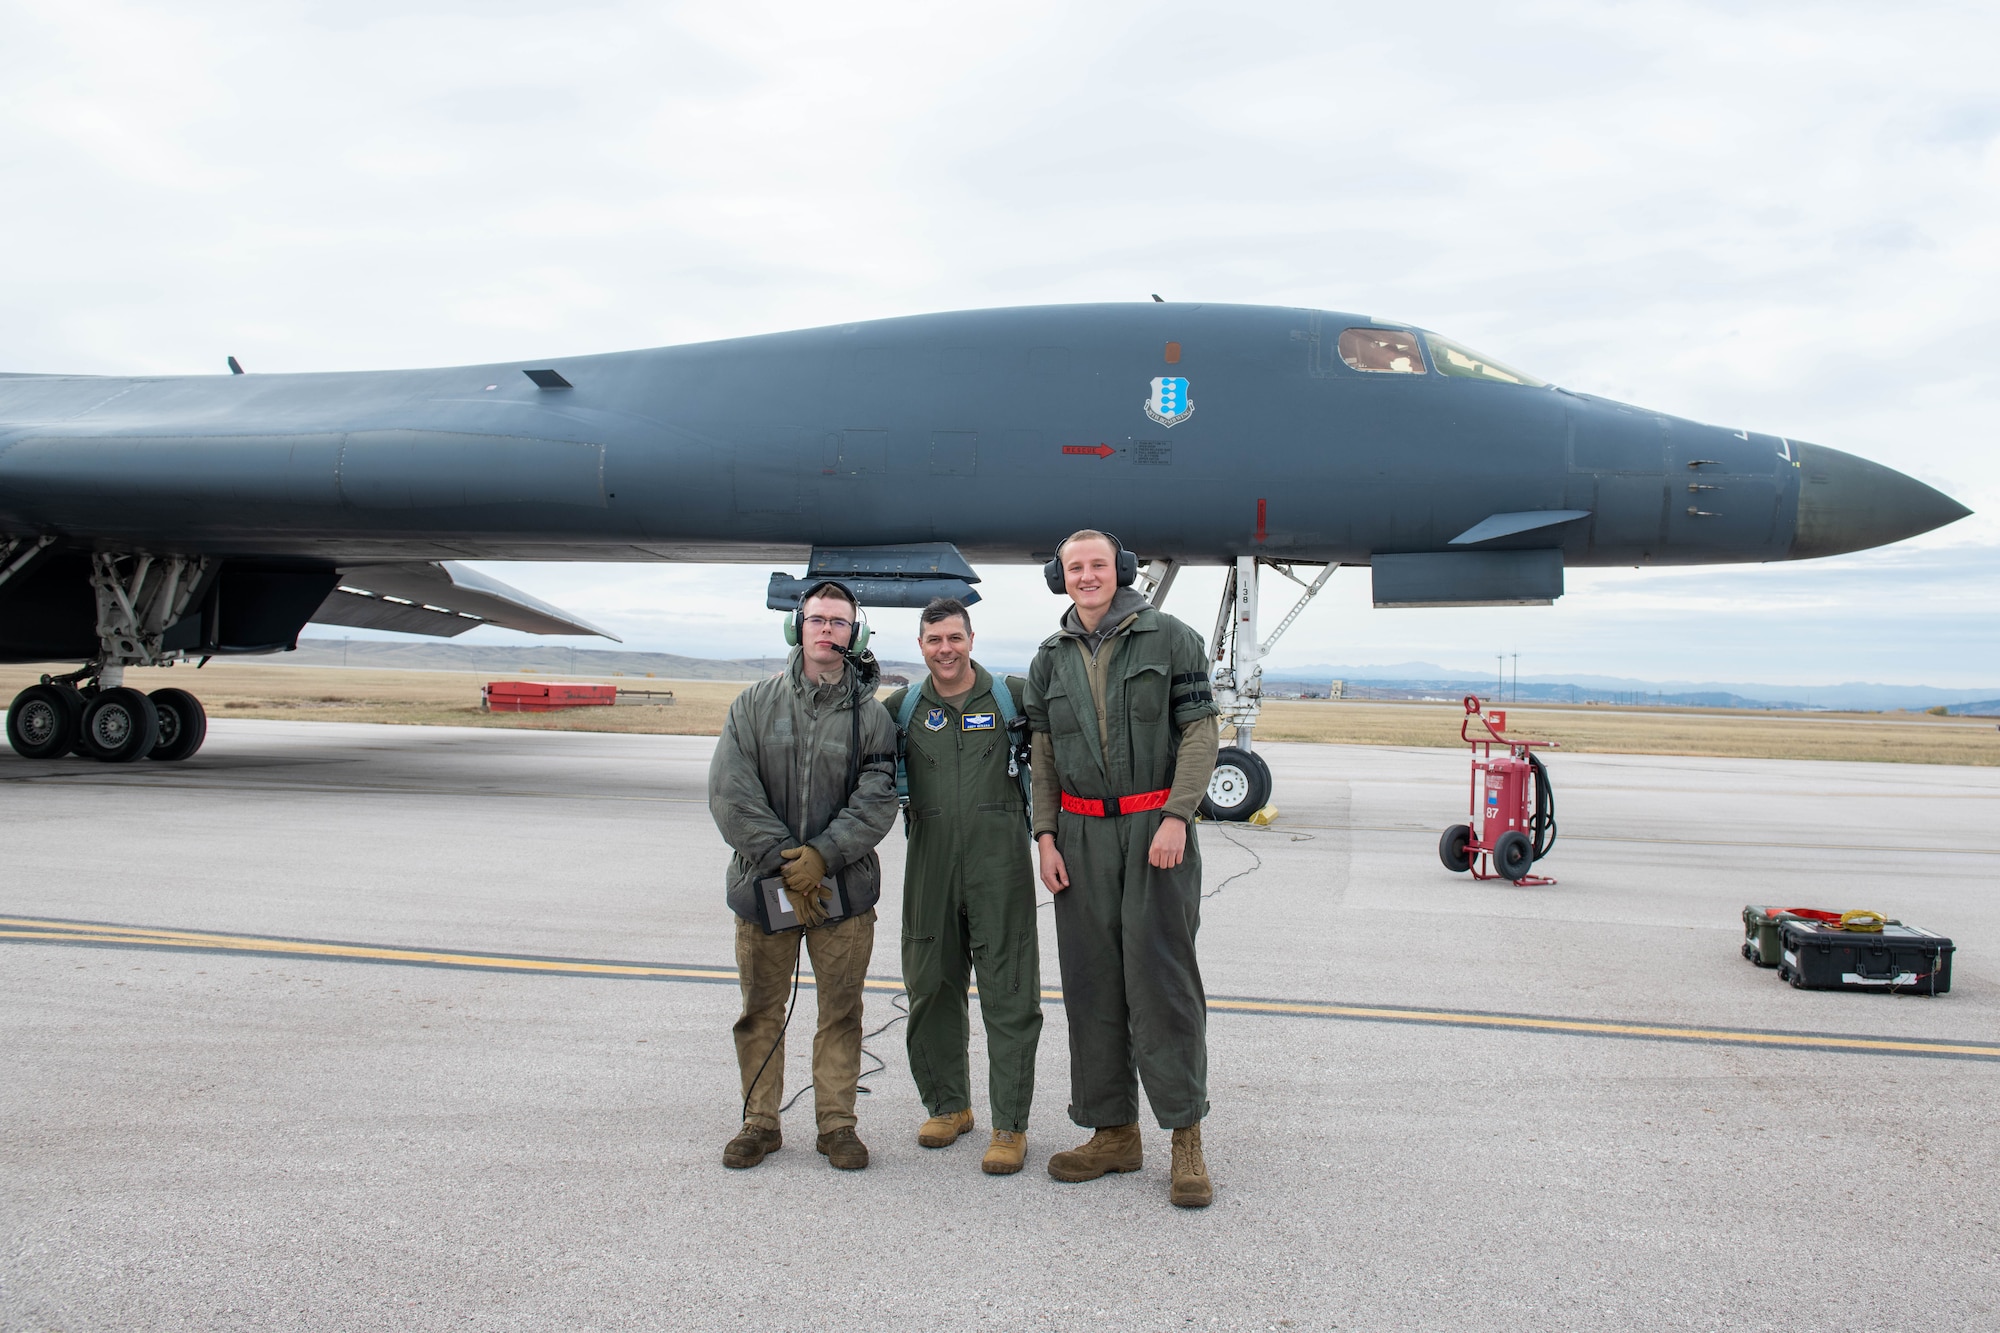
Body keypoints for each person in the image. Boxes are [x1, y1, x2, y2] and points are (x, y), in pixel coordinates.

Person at [1024, 530, 1221, 1208]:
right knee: (1091, 985)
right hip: (1077, 835)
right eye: (1075, 567)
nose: (1087, 576)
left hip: (1152, 829)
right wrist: (1045, 835)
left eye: (1098, 565)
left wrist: (1178, 813)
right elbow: (1043, 756)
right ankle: (1113, 1131)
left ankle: (1185, 1134)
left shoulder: (1171, 638)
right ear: (1062, 576)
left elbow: (1199, 731)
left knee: (1162, 982)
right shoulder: (1050, 658)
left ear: (1121, 571)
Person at [707, 580, 899, 1171]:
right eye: (816, 619)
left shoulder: (871, 717)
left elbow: (876, 798)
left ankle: (838, 1125)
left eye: (839, 623)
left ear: (854, 634)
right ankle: (759, 1122)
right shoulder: (753, 705)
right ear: (798, 627)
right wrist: (790, 863)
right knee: (760, 1008)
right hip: (765, 890)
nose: (826, 630)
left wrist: (825, 856)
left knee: (842, 1011)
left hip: (843, 893)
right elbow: (731, 793)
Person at [883, 598, 1043, 1176]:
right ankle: (949, 1106)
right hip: (929, 864)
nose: (945, 650)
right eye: (933, 641)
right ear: (921, 647)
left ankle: (1010, 1124)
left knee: (1010, 991)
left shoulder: (1012, 698)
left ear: (970, 639)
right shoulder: (901, 709)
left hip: (1000, 868)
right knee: (929, 986)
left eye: (954, 638)